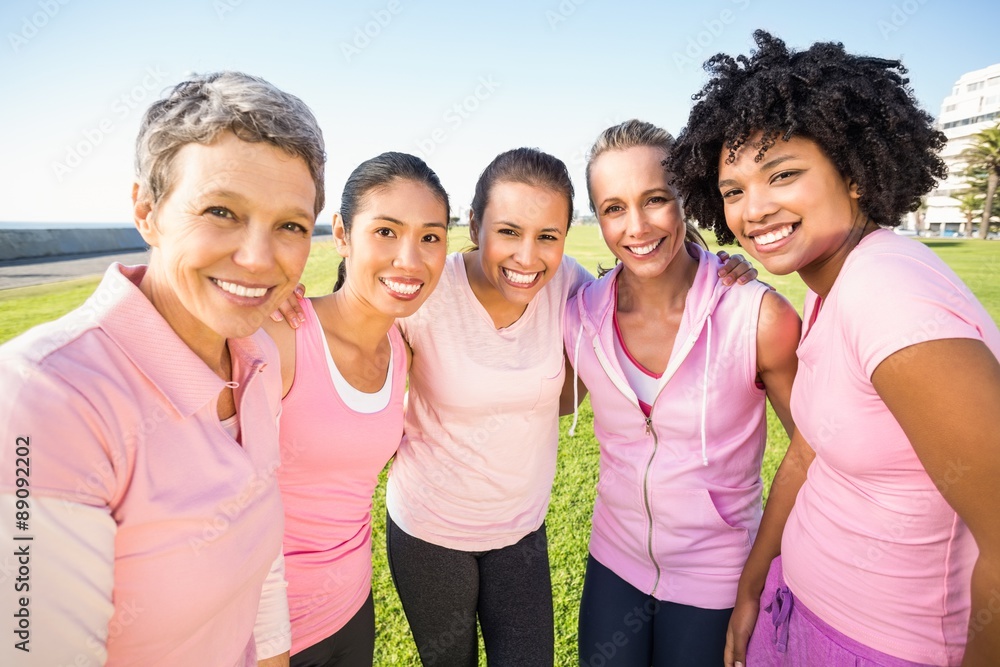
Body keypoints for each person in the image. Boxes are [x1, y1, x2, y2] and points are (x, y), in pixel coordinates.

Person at [669, 30, 1000, 667]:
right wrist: (756, 580)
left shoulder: (890, 294)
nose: (754, 208)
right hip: (799, 610)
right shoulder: (830, 286)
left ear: (851, 173)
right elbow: (811, 449)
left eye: (783, 175)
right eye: (733, 190)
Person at [382, 147, 757, 666]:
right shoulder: (429, 294)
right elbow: (354, 319)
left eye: (548, 237)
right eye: (508, 231)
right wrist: (291, 304)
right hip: (429, 530)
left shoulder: (570, 287)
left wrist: (721, 265)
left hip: (520, 530)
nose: (527, 257)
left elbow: (636, 278)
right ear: (474, 224)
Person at [0, 71, 326, 666]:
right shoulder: (41, 398)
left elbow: (261, 574)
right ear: (147, 212)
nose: (257, 259)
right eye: (222, 210)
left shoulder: (252, 359)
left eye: (290, 225)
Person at [564, 119, 800, 667]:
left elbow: (812, 449)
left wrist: (758, 575)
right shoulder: (580, 312)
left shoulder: (755, 315)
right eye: (614, 208)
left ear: (685, 198)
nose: (637, 226)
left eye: (655, 200)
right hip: (613, 560)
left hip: (716, 573)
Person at [263, 152, 450, 667]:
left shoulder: (400, 347)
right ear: (342, 234)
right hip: (269, 632)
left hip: (351, 610)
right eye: (386, 232)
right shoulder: (280, 337)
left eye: (430, 237)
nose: (410, 260)